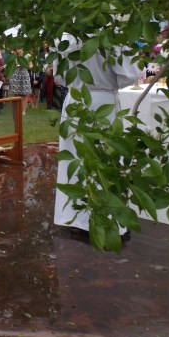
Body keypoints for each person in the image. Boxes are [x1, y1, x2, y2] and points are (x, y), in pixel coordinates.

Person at [53, 35, 140, 239]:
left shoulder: (65, 36)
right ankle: (106, 219)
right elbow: (129, 75)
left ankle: (74, 217)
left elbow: (60, 77)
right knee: (105, 158)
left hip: (75, 99)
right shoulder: (112, 32)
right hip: (103, 101)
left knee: (74, 158)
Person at [9, 48, 31, 116]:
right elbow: (11, 65)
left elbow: (30, 65)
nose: (18, 50)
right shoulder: (14, 56)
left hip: (24, 75)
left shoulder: (27, 56)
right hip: (16, 75)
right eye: (17, 49)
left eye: (20, 49)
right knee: (16, 94)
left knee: (24, 95)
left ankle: (23, 111)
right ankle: (16, 110)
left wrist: (24, 65)